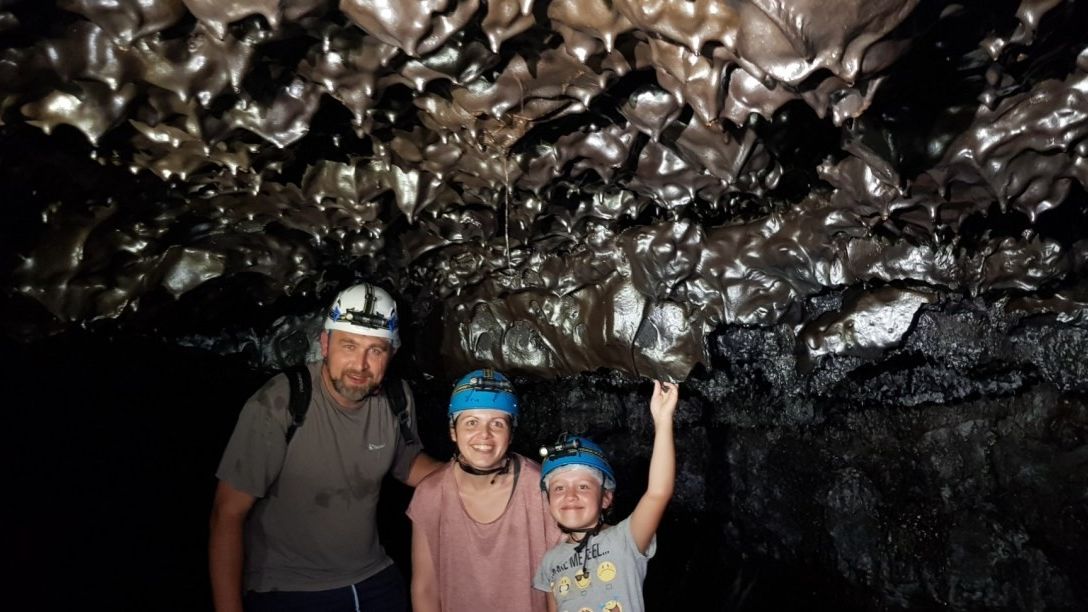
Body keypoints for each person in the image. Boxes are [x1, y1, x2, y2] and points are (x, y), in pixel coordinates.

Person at [209, 283, 443, 612]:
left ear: (391, 354)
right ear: (325, 343)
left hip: (373, 577)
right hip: (289, 588)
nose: (360, 364)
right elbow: (227, 515)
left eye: (375, 350)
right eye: (349, 345)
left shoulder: (396, 397)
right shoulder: (280, 403)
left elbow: (407, 464)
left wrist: (480, 474)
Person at [407, 369, 562, 612]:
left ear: (510, 433)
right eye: (471, 422)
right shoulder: (431, 495)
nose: (484, 435)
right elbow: (425, 587)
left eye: (497, 424)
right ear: (452, 430)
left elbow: (561, 581)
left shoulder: (541, 488)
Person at [533, 380, 678, 612]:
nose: (570, 495)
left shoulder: (625, 540)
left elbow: (658, 493)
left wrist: (662, 421)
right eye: (559, 488)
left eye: (583, 487)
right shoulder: (550, 561)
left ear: (605, 498)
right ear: (547, 499)